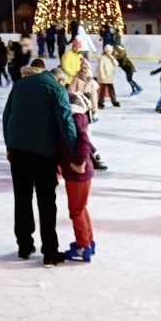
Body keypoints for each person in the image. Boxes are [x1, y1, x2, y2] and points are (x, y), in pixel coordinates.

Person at [2, 65, 78, 267]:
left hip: (18, 150)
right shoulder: (57, 90)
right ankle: (50, 251)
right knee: (46, 201)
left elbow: (7, 116)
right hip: (43, 152)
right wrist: (76, 152)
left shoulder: (21, 84)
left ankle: (24, 246)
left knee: (22, 198)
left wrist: (9, 145)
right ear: (61, 80)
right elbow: (65, 122)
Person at [57, 91, 96, 262]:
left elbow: (84, 140)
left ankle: (83, 246)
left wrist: (79, 162)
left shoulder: (74, 118)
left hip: (78, 173)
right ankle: (88, 241)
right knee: (81, 208)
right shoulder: (79, 116)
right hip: (80, 172)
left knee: (76, 211)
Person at [96, 45, 120, 109]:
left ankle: (114, 100)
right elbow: (100, 68)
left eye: (110, 51)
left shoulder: (112, 58)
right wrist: (102, 75)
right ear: (105, 51)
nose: (109, 52)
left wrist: (112, 58)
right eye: (107, 51)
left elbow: (116, 64)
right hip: (104, 76)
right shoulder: (102, 58)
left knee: (111, 89)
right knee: (103, 90)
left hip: (110, 76)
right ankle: (100, 101)